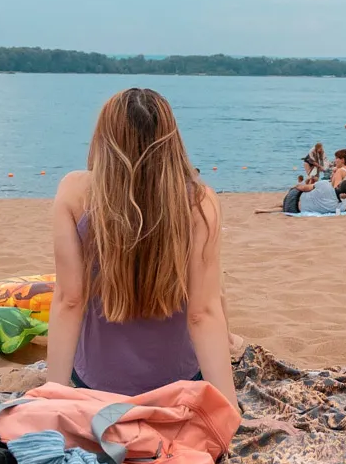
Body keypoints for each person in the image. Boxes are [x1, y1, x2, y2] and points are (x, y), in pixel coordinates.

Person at [46, 89, 287, 434]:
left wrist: (52, 397)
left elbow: (69, 300)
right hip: (179, 386)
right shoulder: (201, 202)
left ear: (104, 137)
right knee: (214, 289)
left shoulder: (73, 191)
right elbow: (202, 313)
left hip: (95, 386)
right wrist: (229, 413)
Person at [281, 177, 346, 214]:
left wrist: (295, 187)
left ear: (338, 185)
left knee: (283, 204)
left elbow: (304, 188)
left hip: (294, 196)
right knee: (282, 208)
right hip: (293, 210)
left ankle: (271, 208)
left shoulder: (324, 184)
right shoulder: (338, 206)